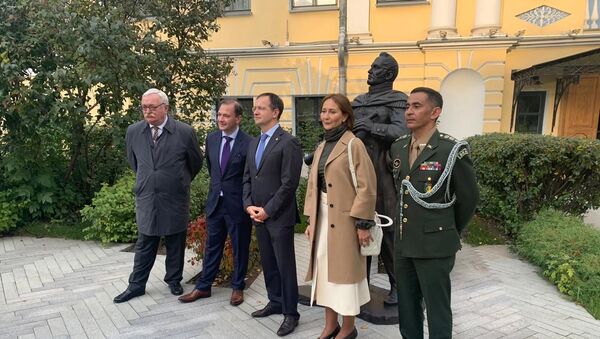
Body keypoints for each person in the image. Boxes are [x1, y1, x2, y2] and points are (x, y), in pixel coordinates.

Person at [389, 87, 479, 338]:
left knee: (437, 308)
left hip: (435, 244)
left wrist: (448, 229)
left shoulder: (451, 149)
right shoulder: (398, 147)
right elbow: (401, 192)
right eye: (407, 106)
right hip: (404, 242)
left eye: (416, 106)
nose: (409, 111)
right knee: (407, 307)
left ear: (435, 112)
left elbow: (469, 199)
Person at [114, 88, 203, 303]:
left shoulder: (184, 132)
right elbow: (135, 162)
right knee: (145, 241)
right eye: (144, 107)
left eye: (152, 107)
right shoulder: (134, 131)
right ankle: (136, 285)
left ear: (165, 108)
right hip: (146, 197)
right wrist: (149, 180)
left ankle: (173, 280)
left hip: (174, 197)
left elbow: (195, 163)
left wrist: (177, 181)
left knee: (175, 240)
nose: (147, 111)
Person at [304, 94, 377, 339]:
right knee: (324, 273)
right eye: (323, 111)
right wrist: (310, 220)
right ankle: (329, 325)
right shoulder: (322, 145)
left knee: (345, 277)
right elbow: (313, 186)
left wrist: (363, 223)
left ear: (345, 116)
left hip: (346, 221)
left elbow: (367, 186)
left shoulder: (354, 144)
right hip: (323, 217)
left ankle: (348, 328)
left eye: (332, 111)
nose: (326, 116)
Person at [178, 99, 252, 306]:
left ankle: (237, 287)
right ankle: (203, 287)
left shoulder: (249, 143)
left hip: (237, 205)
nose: (221, 118)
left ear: (238, 118)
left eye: (226, 115)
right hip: (215, 204)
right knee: (211, 247)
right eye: (219, 114)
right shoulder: (211, 139)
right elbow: (214, 171)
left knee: (240, 247)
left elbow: (250, 176)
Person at [242, 93, 303, 337]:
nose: (255, 111)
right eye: (254, 108)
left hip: (278, 216)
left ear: (275, 112)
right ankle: (275, 301)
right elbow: (247, 177)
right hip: (257, 215)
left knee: (284, 265)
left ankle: (291, 313)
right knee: (268, 263)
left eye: (260, 108)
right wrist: (249, 206)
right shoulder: (253, 143)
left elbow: (289, 184)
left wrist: (268, 210)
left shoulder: (288, 143)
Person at [351, 52, 408, 305]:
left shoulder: (398, 101)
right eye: (371, 66)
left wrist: (372, 128)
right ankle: (361, 284)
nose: (369, 71)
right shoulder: (358, 101)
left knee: (388, 231)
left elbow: (402, 132)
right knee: (357, 231)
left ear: (388, 74)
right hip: (355, 174)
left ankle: (398, 285)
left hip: (383, 174)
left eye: (375, 68)